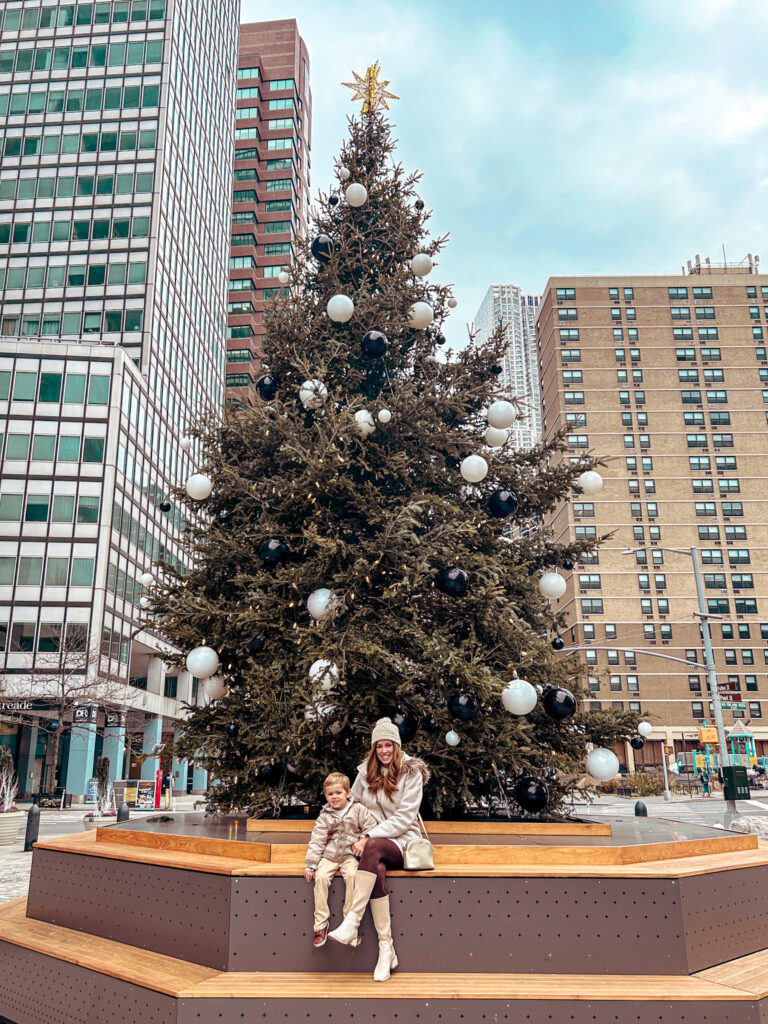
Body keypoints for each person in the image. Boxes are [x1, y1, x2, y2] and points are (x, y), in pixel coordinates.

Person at [328, 718, 430, 983]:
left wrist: (369, 835)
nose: (384, 751)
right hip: (372, 848)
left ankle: (352, 921)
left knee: (372, 849)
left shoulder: (411, 772)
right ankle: (387, 949)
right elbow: (355, 805)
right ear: (374, 749)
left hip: (402, 842)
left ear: (396, 746)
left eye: (389, 745)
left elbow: (405, 818)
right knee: (377, 868)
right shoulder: (365, 774)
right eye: (379, 746)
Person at [304, 772, 379, 948]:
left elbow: (371, 828)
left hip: (349, 856)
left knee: (353, 876)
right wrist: (311, 866)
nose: (335, 797)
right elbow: (317, 841)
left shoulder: (358, 810)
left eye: (338, 793)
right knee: (321, 878)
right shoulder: (325, 816)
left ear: (348, 793)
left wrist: (363, 839)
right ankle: (321, 925)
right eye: (330, 794)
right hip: (330, 856)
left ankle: (349, 924)